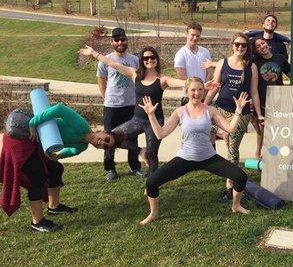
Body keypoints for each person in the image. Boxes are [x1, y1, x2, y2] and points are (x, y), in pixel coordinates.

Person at [138, 78, 251, 225]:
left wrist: (239, 110)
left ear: (204, 92)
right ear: (187, 91)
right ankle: (154, 213)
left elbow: (230, 129)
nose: (196, 93)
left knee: (240, 176)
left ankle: (236, 205)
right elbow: (160, 134)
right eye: (193, 90)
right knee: (152, 182)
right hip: (185, 158)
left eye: (200, 90)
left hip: (208, 157)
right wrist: (150, 115)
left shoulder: (211, 111)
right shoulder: (179, 112)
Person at [79, 45, 200, 176]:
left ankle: (152, 184)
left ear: (157, 59)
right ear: (142, 61)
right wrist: (94, 53)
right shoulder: (135, 74)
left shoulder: (162, 80)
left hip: (155, 122)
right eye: (146, 58)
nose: (149, 60)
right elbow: (112, 63)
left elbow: (182, 83)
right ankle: (140, 151)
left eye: (152, 57)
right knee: (112, 137)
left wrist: (199, 84)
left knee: (152, 156)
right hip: (137, 120)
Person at [0, 104, 124, 232]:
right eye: (106, 139)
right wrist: (33, 123)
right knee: (38, 176)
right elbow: (60, 109)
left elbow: (72, 151)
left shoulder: (83, 145)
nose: (102, 143)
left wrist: (57, 156)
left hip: (33, 141)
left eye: (105, 146)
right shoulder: (81, 126)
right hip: (20, 137)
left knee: (55, 168)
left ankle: (54, 207)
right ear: (103, 132)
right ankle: (37, 223)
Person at [204, 34, 262, 199]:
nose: (240, 47)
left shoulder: (251, 67)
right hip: (221, 110)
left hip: (241, 113)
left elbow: (254, 92)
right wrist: (204, 105)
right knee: (220, 135)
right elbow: (215, 87)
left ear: (247, 48)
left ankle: (231, 186)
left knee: (233, 150)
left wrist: (258, 114)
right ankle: (223, 135)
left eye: (243, 45)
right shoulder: (222, 63)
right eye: (237, 44)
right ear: (232, 45)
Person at [96, 27, 142, 181]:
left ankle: (135, 166)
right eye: (116, 40)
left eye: (123, 39)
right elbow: (101, 81)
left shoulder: (134, 60)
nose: (120, 42)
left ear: (126, 40)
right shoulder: (105, 60)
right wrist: (105, 98)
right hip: (112, 106)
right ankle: (110, 169)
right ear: (112, 42)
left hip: (130, 105)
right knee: (108, 138)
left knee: (132, 137)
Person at [249, 36, 291, 159]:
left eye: (262, 43)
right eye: (258, 46)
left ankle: (275, 153)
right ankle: (258, 152)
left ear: (266, 43)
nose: (262, 47)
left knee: (277, 129)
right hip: (263, 100)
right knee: (262, 129)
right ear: (256, 50)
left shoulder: (279, 58)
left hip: (279, 99)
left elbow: (291, 74)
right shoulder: (255, 61)